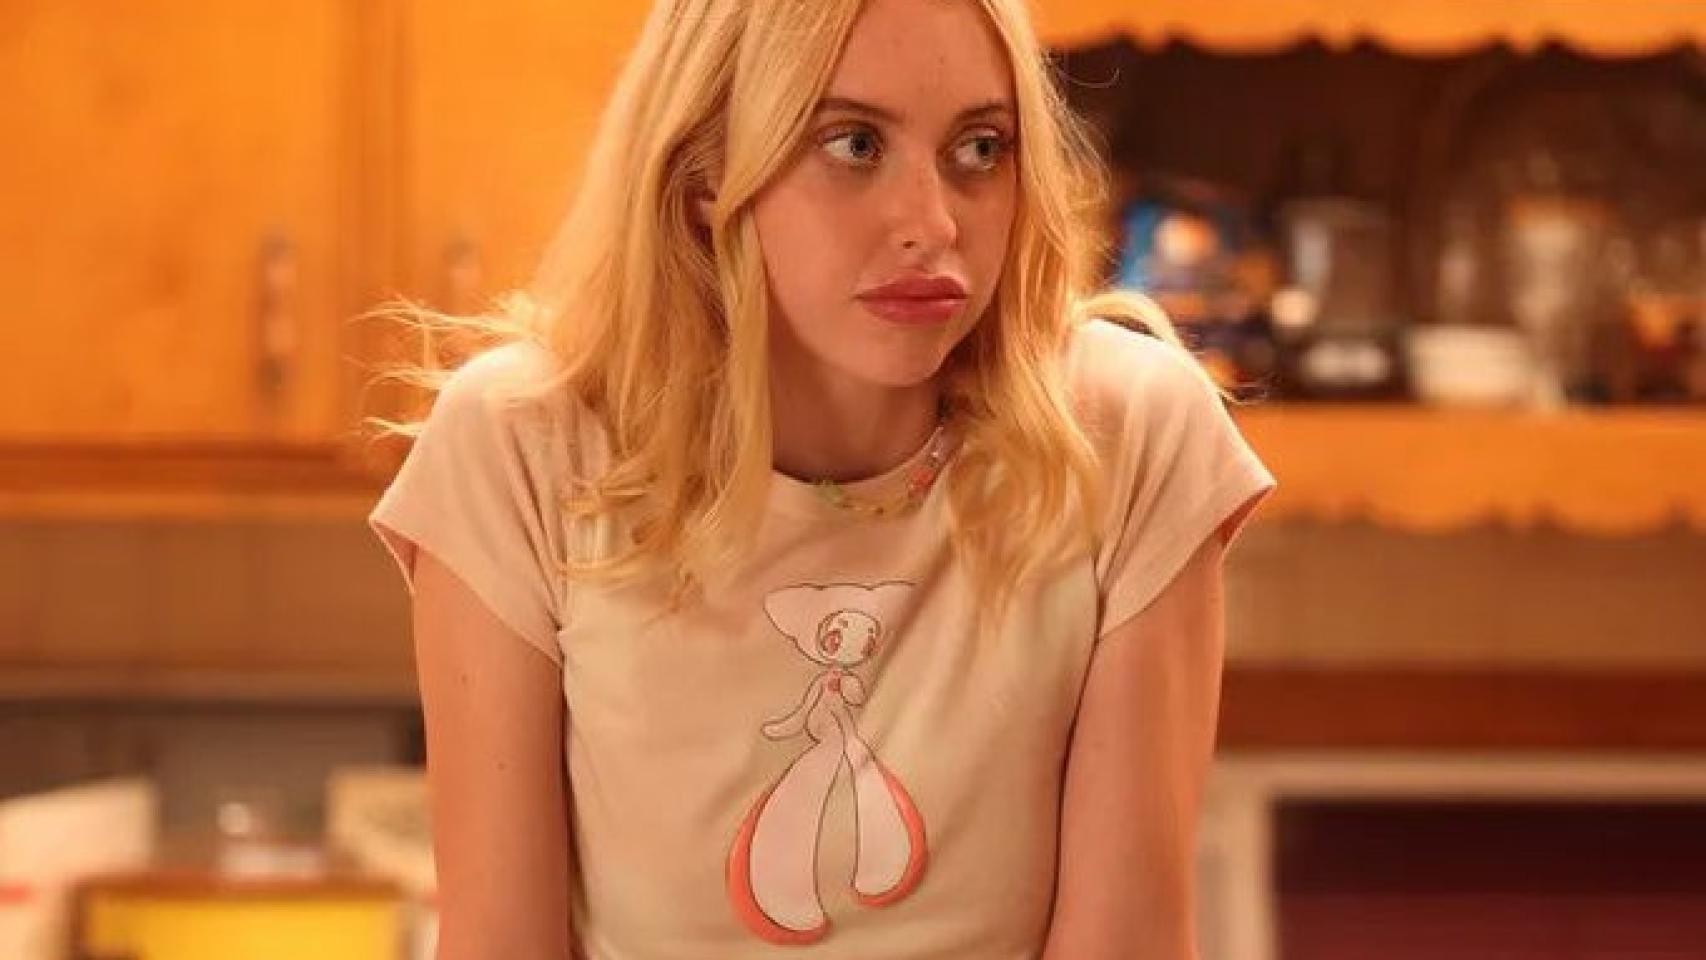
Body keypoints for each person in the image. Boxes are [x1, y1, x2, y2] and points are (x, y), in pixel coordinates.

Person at [366, 0, 1275, 957]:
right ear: (703, 173)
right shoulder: (522, 450)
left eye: (979, 149)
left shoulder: (1125, 437)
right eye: (854, 144)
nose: (932, 223)